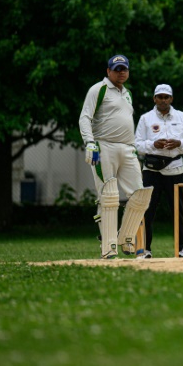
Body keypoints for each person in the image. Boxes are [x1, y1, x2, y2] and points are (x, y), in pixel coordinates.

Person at [79, 54, 153, 259]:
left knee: (140, 195)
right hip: (104, 147)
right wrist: (90, 142)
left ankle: (124, 237)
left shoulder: (127, 93)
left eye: (124, 69)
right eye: (117, 69)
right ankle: (108, 248)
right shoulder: (99, 89)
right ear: (108, 71)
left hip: (127, 149)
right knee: (109, 196)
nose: (121, 72)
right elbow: (85, 117)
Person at [135, 84, 183, 259]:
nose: (163, 100)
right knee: (147, 210)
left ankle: (182, 249)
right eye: (160, 97)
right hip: (151, 170)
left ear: (171, 99)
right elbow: (137, 145)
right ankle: (145, 249)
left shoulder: (181, 117)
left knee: (179, 211)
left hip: (175, 169)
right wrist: (152, 145)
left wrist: (179, 143)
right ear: (154, 99)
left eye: (166, 97)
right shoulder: (146, 118)